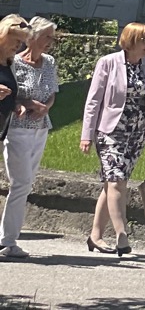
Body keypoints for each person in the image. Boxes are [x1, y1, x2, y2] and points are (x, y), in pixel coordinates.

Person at [81, 22, 145, 257]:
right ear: (131, 40)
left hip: (137, 134)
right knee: (117, 182)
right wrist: (86, 135)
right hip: (110, 132)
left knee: (112, 184)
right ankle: (121, 233)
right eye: (144, 39)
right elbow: (93, 101)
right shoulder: (108, 62)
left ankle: (95, 236)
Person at [2, 17, 58, 259]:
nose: (50, 42)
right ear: (33, 37)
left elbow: (52, 92)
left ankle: (8, 239)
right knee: (21, 183)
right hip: (17, 127)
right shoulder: (13, 62)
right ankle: (7, 240)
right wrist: (27, 103)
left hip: (41, 127)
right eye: (47, 37)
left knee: (26, 183)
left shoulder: (49, 62)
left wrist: (46, 106)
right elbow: (12, 93)